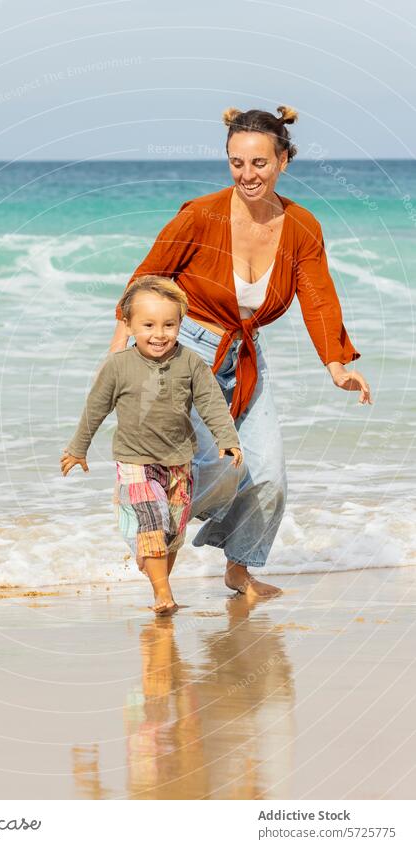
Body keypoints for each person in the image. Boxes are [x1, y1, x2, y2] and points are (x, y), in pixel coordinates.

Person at [110, 105, 373, 600]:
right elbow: (146, 280)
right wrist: (123, 350)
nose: (247, 174)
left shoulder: (301, 225)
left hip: (245, 356)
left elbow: (317, 295)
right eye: (236, 163)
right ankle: (156, 545)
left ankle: (239, 569)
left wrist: (337, 366)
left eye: (259, 163)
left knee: (268, 474)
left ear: (283, 161)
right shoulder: (200, 215)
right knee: (212, 468)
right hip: (183, 353)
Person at [61, 276, 242, 616]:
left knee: (173, 531)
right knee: (151, 523)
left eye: (169, 325)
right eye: (148, 325)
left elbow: (211, 402)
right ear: (128, 325)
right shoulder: (118, 366)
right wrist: (77, 448)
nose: (159, 334)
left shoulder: (190, 363)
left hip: (179, 462)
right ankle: (163, 594)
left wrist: (227, 439)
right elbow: (95, 408)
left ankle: (157, 571)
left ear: (180, 324)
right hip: (134, 461)